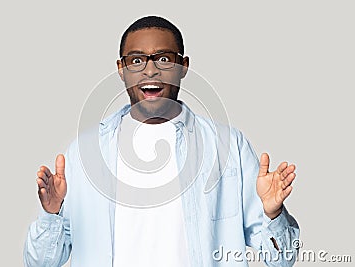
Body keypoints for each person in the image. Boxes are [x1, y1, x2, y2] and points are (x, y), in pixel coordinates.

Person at [24, 16, 300, 267]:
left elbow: (281, 259)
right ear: (121, 69)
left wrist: (273, 213)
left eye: (164, 59)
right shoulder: (85, 152)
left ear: (183, 66)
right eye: (136, 60)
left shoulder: (228, 146)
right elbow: (39, 263)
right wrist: (52, 214)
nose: (150, 71)